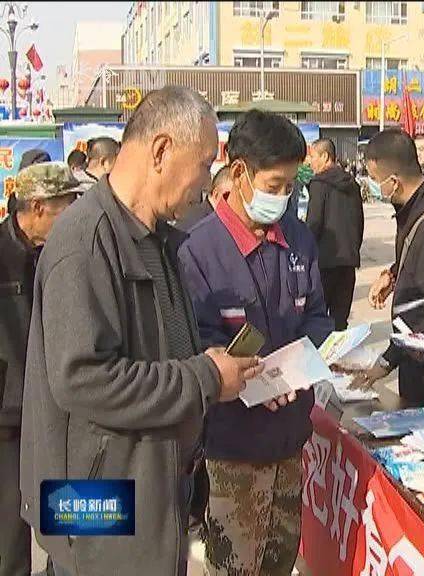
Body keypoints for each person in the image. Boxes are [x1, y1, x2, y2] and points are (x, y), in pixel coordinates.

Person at [20, 86, 265, 576]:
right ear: (161, 152)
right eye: (202, 165)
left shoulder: (156, 238)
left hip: (151, 493)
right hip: (96, 501)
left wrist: (209, 363)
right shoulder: (84, 241)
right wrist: (204, 378)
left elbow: (157, 354)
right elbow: (83, 377)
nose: (206, 185)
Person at [178, 109, 333, 576]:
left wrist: (324, 357)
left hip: (291, 438)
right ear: (239, 173)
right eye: (274, 185)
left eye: (292, 187)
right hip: (232, 449)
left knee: (280, 563)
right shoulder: (196, 249)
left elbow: (317, 318)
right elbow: (195, 342)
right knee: (236, 567)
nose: (283, 197)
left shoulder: (300, 240)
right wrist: (252, 381)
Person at [0, 162, 78, 576]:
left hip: (64, 415)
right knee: (9, 541)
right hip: (8, 425)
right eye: (66, 204)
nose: (75, 213)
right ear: (36, 207)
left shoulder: (69, 253)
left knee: (73, 528)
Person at [352, 129, 424, 406]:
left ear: (394, 181)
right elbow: (416, 259)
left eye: (376, 180)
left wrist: (385, 362)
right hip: (412, 354)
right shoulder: (414, 208)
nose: (375, 186)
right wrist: (391, 275)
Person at [306, 138, 364, 330]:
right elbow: (359, 222)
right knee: (340, 320)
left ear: (325, 156)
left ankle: (323, 360)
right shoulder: (353, 184)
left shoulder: (319, 184)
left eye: (313, 156)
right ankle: (339, 358)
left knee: (318, 319)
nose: (310, 162)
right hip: (348, 262)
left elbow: (314, 224)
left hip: (325, 263)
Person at [176, 165, 233, 231]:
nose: (234, 203)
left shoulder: (194, 213)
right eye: (228, 196)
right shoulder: (206, 224)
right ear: (216, 194)